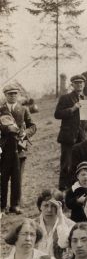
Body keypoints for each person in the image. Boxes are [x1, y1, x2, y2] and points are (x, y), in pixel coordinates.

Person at [1, 83, 36, 214]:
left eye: (15, 93)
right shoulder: (0, 109)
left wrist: (26, 133)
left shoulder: (23, 109)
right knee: (2, 178)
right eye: (10, 94)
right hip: (3, 149)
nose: (13, 96)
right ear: (5, 95)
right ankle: (2, 206)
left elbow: (33, 126)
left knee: (17, 178)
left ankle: (15, 205)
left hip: (19, 148)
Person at [55, 75, 87, 190]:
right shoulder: (65, 98)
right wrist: (73, 109)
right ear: (72, 85)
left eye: (81, 83)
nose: (79, 85)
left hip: (82, 136)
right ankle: (63, 189)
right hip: (68, 136)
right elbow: (57, 114)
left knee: (80, 163)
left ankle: (76, 187)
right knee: (66, 164)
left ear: (84, 84)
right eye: (76, 83)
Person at [34, 189, 75, 259]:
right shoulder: (32, 225)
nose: (49, 209)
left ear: (60, 207)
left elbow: (64, 243)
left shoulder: (70, 225)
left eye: (53, 206)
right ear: (40, 206)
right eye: (46, 205)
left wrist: (61, 217)